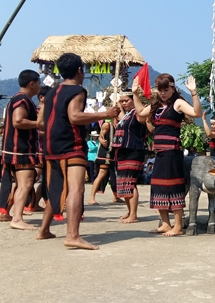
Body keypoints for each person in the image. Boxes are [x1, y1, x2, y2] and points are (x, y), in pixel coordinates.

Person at [35, 52, 120, 249]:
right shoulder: (78, 91)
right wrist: (105, 113)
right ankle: (72, 235)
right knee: (76, 189)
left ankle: (44, 230)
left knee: (57, 189)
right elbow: (74, 117)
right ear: (80, 70)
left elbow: (40, 123)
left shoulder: (50, 94)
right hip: (70, 146)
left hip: (51, 146)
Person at [134, 74, 202, 236]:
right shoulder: (156, 106)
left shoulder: (178, 103)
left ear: (173, 88)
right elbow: (141, 113)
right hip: (160, 152)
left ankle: (178, 226)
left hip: (172, 151)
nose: (163, 93)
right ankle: (165, 223)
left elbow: (196, 113)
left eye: (166, 89)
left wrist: (193, 93)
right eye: (160, 90)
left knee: (173, 185)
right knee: (158, 185)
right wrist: (136, 94)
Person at [0, 70, 41, 229]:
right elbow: (18, 121)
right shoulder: (22, 99)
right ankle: (17, 218)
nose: (39, 86)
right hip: (20, 149)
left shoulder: (17, 98)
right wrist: (38, 124)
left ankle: (5, 213)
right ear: (32, 84)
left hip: (14, 148)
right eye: (39, 82)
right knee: (26, 183)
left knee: (15, 183)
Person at [112, 88, 148, 224]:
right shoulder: (126, 116)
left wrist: (135, 95)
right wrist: (120, 101)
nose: (124, 103)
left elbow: (141, 113)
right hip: (122, 150)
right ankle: (129, 211)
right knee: (123, 183)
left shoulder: (138, 114)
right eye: (122, 102)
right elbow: (119, 111)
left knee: (130, 182)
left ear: (134, 101)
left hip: (133, 150)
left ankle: (134, 214)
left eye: (126, 101)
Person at [88, 112, 121, 205]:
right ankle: (91, 197)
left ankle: (116, 197)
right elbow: (100, 137)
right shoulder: (107, 125)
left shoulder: (120, 126)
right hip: (105, 154)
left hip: (113, 155)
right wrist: (101, 140)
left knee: (114, 176)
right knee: (101, 174)